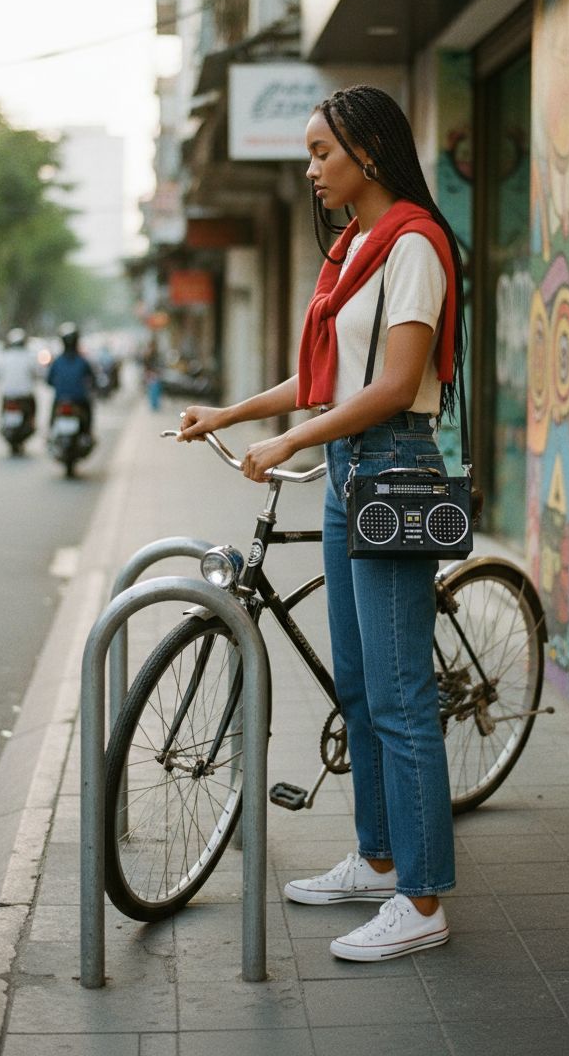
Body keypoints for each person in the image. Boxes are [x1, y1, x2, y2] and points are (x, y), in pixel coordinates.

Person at [178, 84, 466, 963]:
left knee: (401, 694)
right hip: (351, 471)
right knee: (357, 685)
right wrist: (228, 415)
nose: (311, 170)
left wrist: (291, 443)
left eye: (321, 153)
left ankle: (422, 904)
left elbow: (388, 386)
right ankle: (379, 859)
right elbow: (321, 380)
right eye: (307, 153)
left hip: (391, 466)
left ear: (369, 153)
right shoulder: (355, 249)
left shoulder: (412, 243)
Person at [46, 322, 95, 434]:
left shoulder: (57, 361)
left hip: (60, 398)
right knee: (88, 410)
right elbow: (92, 379)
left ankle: (50, 432)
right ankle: (88, 433)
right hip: (79, 399)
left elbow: (49, 380)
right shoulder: (82, 361)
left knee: (53, 412)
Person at [0, 328, 37, 422]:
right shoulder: (28, 356)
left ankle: (2, 421)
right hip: (25, 395)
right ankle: (32, 422)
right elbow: (35, 372)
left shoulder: (5, 356)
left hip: (8, 394)